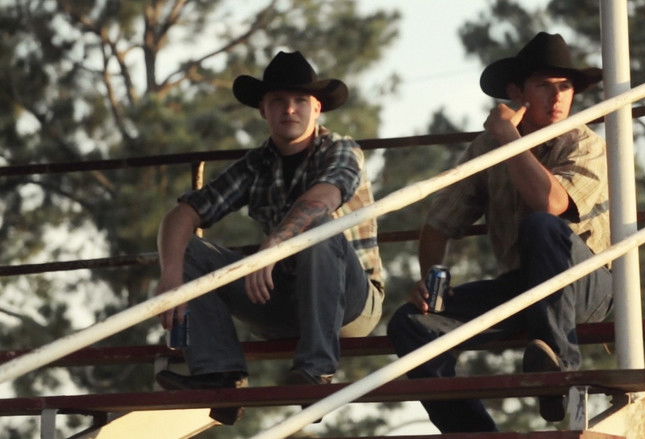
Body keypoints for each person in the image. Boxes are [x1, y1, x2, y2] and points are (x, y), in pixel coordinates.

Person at [387, 32, 613, 432]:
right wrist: (431, 281)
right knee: (410, 322)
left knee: (542, 224)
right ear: (516, 93)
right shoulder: (486, 148)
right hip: (523, 288)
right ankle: (473, 433)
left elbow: (549, 204)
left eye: (565, 87)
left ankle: (555, 370)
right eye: (544, 86)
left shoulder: (585, 143)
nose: (557, 97)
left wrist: (509, 136)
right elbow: (438, 224)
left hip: (587, 285)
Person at [152, 50, 384, 425]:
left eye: (300, 100)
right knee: (186, 250)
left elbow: (323, 198)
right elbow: (183, 214)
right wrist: (171, 277)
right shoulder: (257, 163)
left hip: (350, 304)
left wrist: (274, 244)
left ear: (317, 108)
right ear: (263, 109)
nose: (289, 109)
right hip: (282, 299)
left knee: (317, 225)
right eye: (278, 100)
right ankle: (220, 378)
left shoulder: (342, 149)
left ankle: (315, 373)